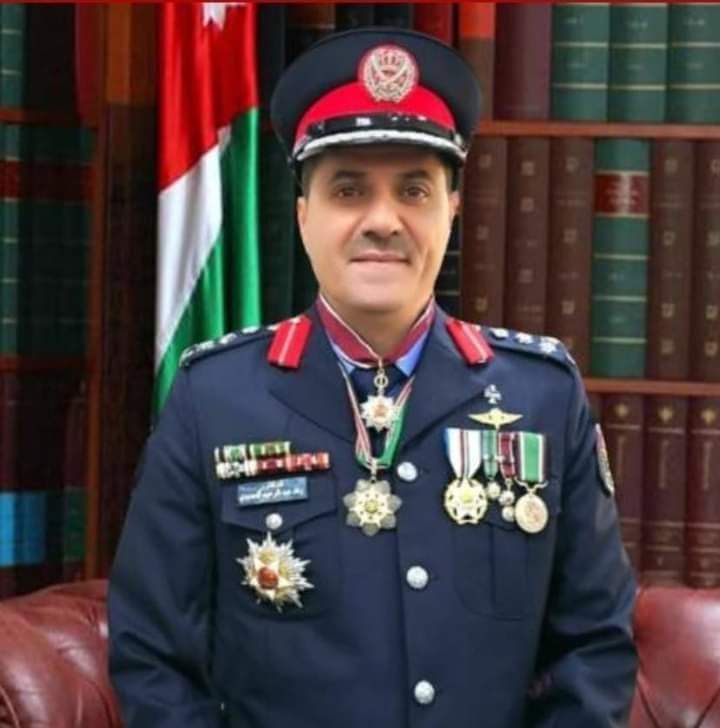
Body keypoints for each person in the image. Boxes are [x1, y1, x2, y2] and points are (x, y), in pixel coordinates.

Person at [108, 27, 637, 728]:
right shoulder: (213, 399)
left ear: (452, 210)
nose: (382, 220)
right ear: (304, 215)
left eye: (413, 190)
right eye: (348, 189)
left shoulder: (543, 396)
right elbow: (153, 655)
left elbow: (594, 647)